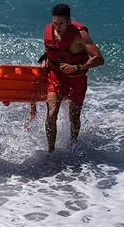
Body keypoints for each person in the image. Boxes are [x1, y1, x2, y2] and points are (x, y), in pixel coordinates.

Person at [42, 3, 104, 152]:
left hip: (77, 78)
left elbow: (99, 59)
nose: (57, 27)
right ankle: (51, 151)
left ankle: (72, 146)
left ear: (69, 21)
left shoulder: (80, 34)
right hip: (56, 76)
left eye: (61, 23)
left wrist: (77, 68)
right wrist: (45, 60)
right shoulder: (49, 31)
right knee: (51, 113)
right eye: (55, 23)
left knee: (74, 117)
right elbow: (52, 50)